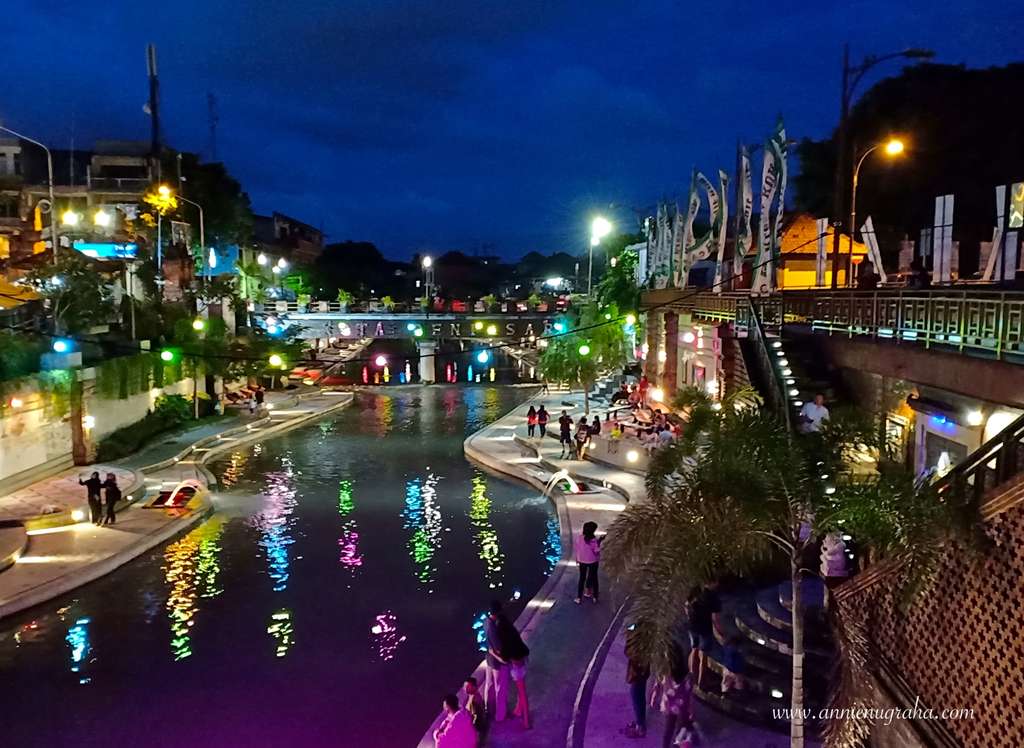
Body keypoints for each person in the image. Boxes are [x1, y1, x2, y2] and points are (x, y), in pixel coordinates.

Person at [687, 581, 722, 689]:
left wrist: (691, 617)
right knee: (704, 656)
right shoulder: (713, 596)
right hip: (705, 629)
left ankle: (692, 677)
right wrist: (721, 633)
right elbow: (715, 618)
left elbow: (686, 604)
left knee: (694, 650)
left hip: (692, 626)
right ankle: (702, 682)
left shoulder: (696, 590)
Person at [498, 615, 532, 729]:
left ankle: (526, 721)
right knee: (521, 691)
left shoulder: (506, 642)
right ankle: (519, 710)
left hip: (516, 668)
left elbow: (504, 657)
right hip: (523, 663)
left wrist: (493, 652)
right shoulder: (514, 634)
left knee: (522, 693)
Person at [483, 601, 511, 722]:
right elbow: (498, 649)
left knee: (488, 684)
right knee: (499, 687)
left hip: (488, 658)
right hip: (496, 661)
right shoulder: (493, 627)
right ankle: (500, 715)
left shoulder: (486, 622)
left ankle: (487, 708)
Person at [623, 630, 650, 738]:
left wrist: (629, 634)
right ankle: (640, 721)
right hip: (642, 669)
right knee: (640, 694)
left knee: (636, 695)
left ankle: (640, 727)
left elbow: (629, 650)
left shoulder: (639, 636)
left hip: (638, 670)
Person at [574, 521, 601, 604]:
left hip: (582, 561)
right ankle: (595, 597)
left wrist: (577, 559)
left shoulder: (579, 538)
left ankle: (579, 597)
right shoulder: (594, 540)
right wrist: (599, 542)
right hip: (593, 561)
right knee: (594, 578)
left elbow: (577, 549)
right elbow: (596, 551)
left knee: (582, 578)